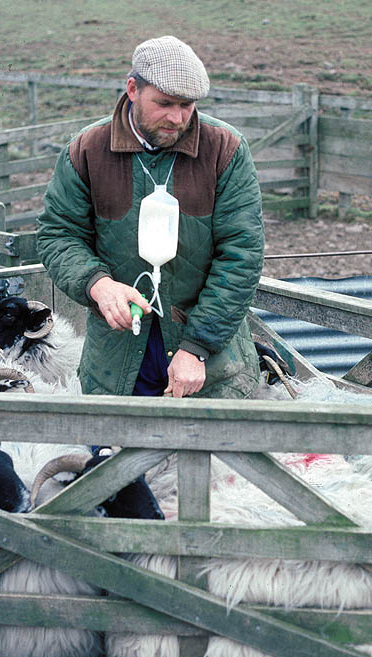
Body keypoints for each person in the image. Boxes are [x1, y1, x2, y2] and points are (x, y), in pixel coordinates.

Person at [37, 35, 265, 399]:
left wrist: (197, 347)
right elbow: (58, 234)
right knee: (116, 455)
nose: (177, 118)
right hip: (115, 359)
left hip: (210, 361)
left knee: (212, 455)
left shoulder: (225, 149)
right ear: (132, 89)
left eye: (187, 105)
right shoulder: (87, 149)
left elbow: (242, 254)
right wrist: (99, 285)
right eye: (164, 103)